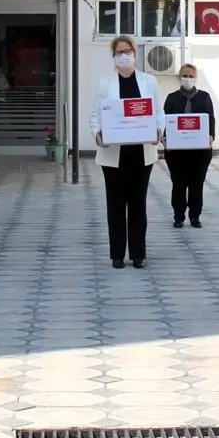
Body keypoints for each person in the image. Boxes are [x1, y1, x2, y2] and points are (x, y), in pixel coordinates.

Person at [89, 35, 163, 269]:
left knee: (138, 205)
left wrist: (159, 131)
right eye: (119, 52)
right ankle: (117, 254)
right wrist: (98, 134)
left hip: (141, 153)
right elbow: (96, 116)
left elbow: (158, 112)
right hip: (114, 154)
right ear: (113, 56)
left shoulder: (149, 81)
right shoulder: (105, 84)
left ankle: (138, 254)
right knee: (116, 205)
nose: (123, 56)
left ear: (135, 53)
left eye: (127, 51)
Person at [162, 63, 216, 229]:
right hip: (176, 152)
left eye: (191, 76)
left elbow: (210, 120)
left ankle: (194, 216)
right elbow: (166, 120)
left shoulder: (204, 97)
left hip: (200, 152)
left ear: (196, 78)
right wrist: (165, 140)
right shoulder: (172, 97)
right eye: (185, 75)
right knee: (178, 184)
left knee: (196, 184)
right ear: (180, 77)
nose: (188, 79)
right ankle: (178, 216)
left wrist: (210, 137)